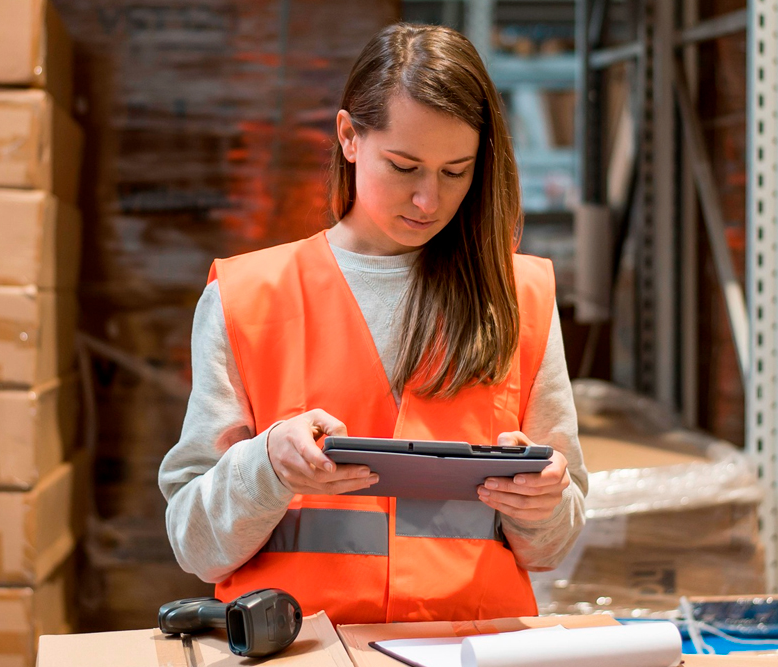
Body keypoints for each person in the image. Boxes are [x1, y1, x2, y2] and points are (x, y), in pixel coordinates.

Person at [158, 22, 588, 625]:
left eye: (455, 171)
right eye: (404, 166)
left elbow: (555, 545)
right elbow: (195, 546)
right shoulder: (247, 297)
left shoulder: (520, 298)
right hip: (302, 654)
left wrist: (540, 504)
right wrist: (268, 469)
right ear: (348, 137)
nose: (428, 201)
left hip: (469, 653)